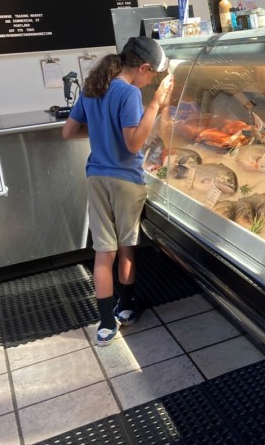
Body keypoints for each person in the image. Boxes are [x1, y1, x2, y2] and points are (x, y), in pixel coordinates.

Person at [62, 36, 174, 346]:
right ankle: (125, 307)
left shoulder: (93, 88)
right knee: (126, 249)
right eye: (152, 76)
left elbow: (68, 131)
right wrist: (155, 104)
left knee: (102, 253)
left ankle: (106, 324)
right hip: (125, 181)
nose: (150, 81)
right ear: (143, 67)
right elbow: (134, 143)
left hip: (97, 177)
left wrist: (100, 131)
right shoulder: (129, 94)